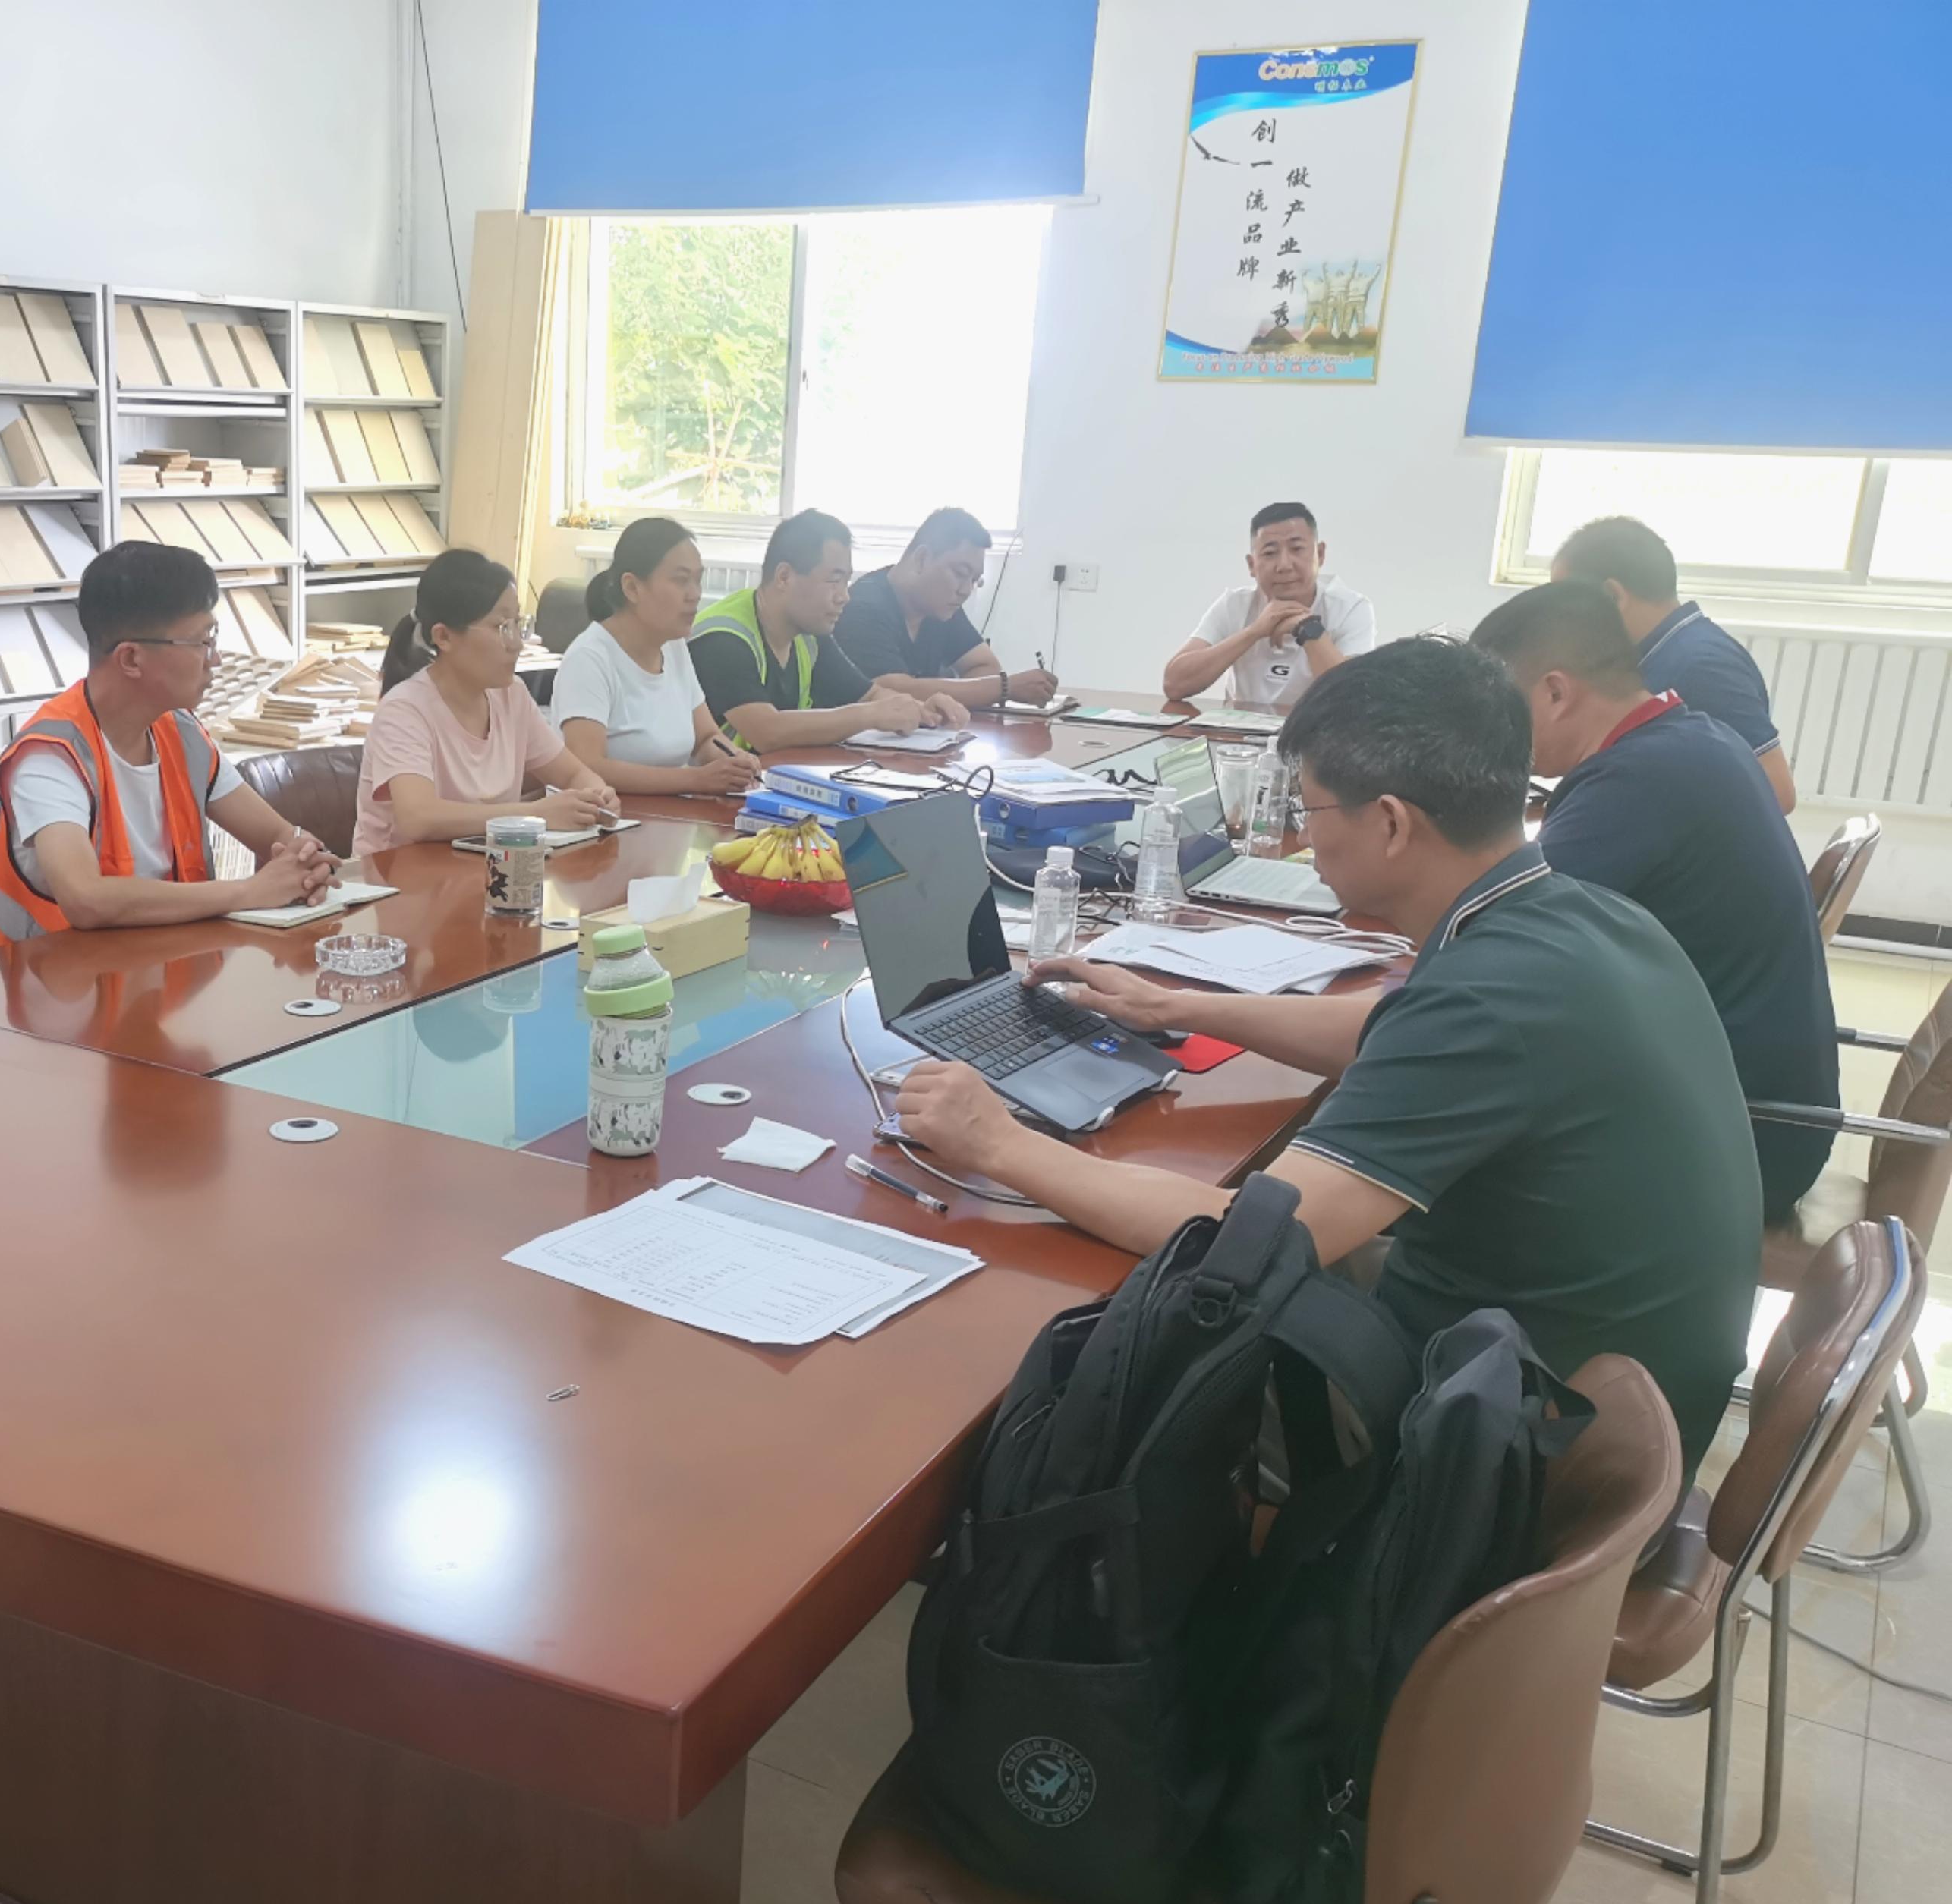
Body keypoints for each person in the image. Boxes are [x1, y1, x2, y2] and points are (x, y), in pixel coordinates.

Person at [896, 635, 1758, 1474]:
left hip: (1515, 1452)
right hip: (1599, 1377)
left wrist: (1000, 1145)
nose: (1307, 841)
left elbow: (1247, 1239)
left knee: (1084, 1381)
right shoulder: (1578, 916)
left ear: (1390, 823)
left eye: (1311, 810)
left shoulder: (1486, 1000)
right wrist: (1174, 1005)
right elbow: (1396, 1024)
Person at [1471, 580, 1837, 1222]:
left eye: (1498, 708)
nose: (1490, 733)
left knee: (1430, 1138)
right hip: (1757, 1117)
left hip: (1737, 1142)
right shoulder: (1694, 738)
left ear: (1555, 692)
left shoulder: (1633, 782)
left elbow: (1489, 954)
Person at [0, 542, 335, 946]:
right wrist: (248, 892)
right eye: (202, 642)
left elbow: (278, 837)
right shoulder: (50, 757)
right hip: (17, 980)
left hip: (146, 966)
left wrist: (304, 860)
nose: (215, 659)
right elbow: (85, 899)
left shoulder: (180, 732)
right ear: (131, 659)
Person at [355, 549, 620, 850]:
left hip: (485, 868)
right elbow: (418, 818)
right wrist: (535, 815)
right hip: (399, 874)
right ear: (444, 637)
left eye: (518, 624)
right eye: (501, 627)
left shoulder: (512, 695)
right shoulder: (404, 710)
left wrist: (596, 796)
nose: (517, 644)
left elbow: (574, 773)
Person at [1548, 514, 1796, 812]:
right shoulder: (1665, 652)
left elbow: (1777, 793)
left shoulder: (1702, 666)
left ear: (1612, 596)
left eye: (1566, 606)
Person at [689, 509, 963, 754]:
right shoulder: (723, 638)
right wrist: (869, 716)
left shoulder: (808, 635)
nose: (844, 596)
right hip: (706, 790)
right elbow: (766, 732)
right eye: (834, 580)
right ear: (784, 577)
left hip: (764, 780)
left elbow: (869, 696)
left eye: (846, 581)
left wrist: (922, 710)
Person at [549, 518, 766, 798]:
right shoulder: (589, 659)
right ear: (632, 588)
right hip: (608, 817)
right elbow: (586, 765)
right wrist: (695, 779)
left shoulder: (674, 647)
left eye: (697, 580)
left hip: (668, 813)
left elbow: (706, 738)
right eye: (681, 580)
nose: (694, 594)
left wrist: (736, 760)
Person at [830, 506, 1059, 710]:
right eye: (960, 573)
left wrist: (947, 699)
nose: (966, 590)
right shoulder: (863, 606)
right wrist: (1005, 687)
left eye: (974, 580)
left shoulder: (940, 607)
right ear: (922, 559)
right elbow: (890, 691)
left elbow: (986, 666)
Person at [1163, 501, 1377, 713]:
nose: (1284, 565)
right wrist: (1255, 631)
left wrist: (1308, 628)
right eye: (1269, 553)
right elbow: (1174, 684)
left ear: (1320, 555)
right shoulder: (1234, 604)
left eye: (1297, 549)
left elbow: (1351, 699)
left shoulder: (1351, 608)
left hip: (1316, 732)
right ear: (1251, 565)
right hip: (1241, 733)